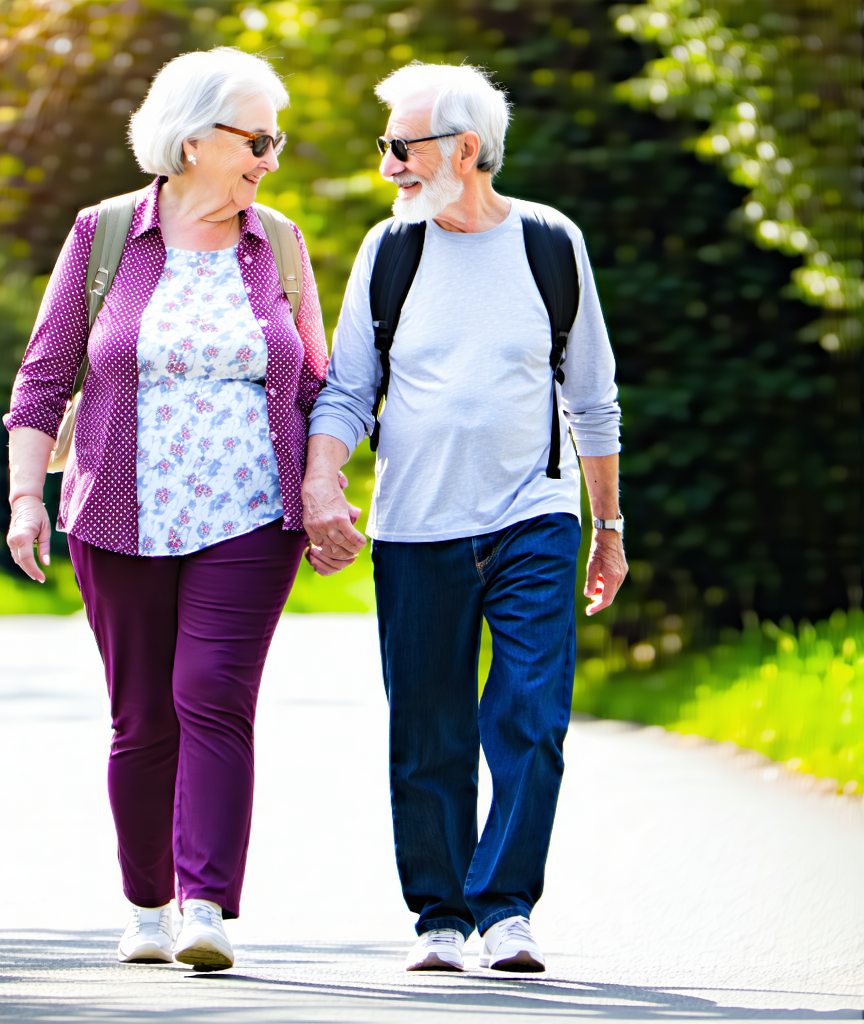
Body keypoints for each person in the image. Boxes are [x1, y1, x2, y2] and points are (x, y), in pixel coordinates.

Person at [4, 48, 330, 971]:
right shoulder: (105, 235)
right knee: (142, 716)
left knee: (214, 699)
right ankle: (146, 906)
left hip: (250, 517)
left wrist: (324, 484)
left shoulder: (283, 245)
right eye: (257, 137)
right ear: (193, 139)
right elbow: (43, 379)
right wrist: (27, 498)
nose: (272, 155)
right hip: (118, 514)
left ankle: (206, 907)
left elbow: (316, 384)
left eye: (279, 137)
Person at [301, 62, 627, 974]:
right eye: (386, 149)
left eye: (400, 148)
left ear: (465, 148)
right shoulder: (388, 250)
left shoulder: (550, 243)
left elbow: (593, 399)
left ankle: (507, 907)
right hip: (415, 527)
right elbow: (347, 391)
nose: (390, 167)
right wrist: (323, 483)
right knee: (429, 726)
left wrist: (608, 528)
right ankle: (440, 917)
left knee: (531, 712)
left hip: (535, 518)